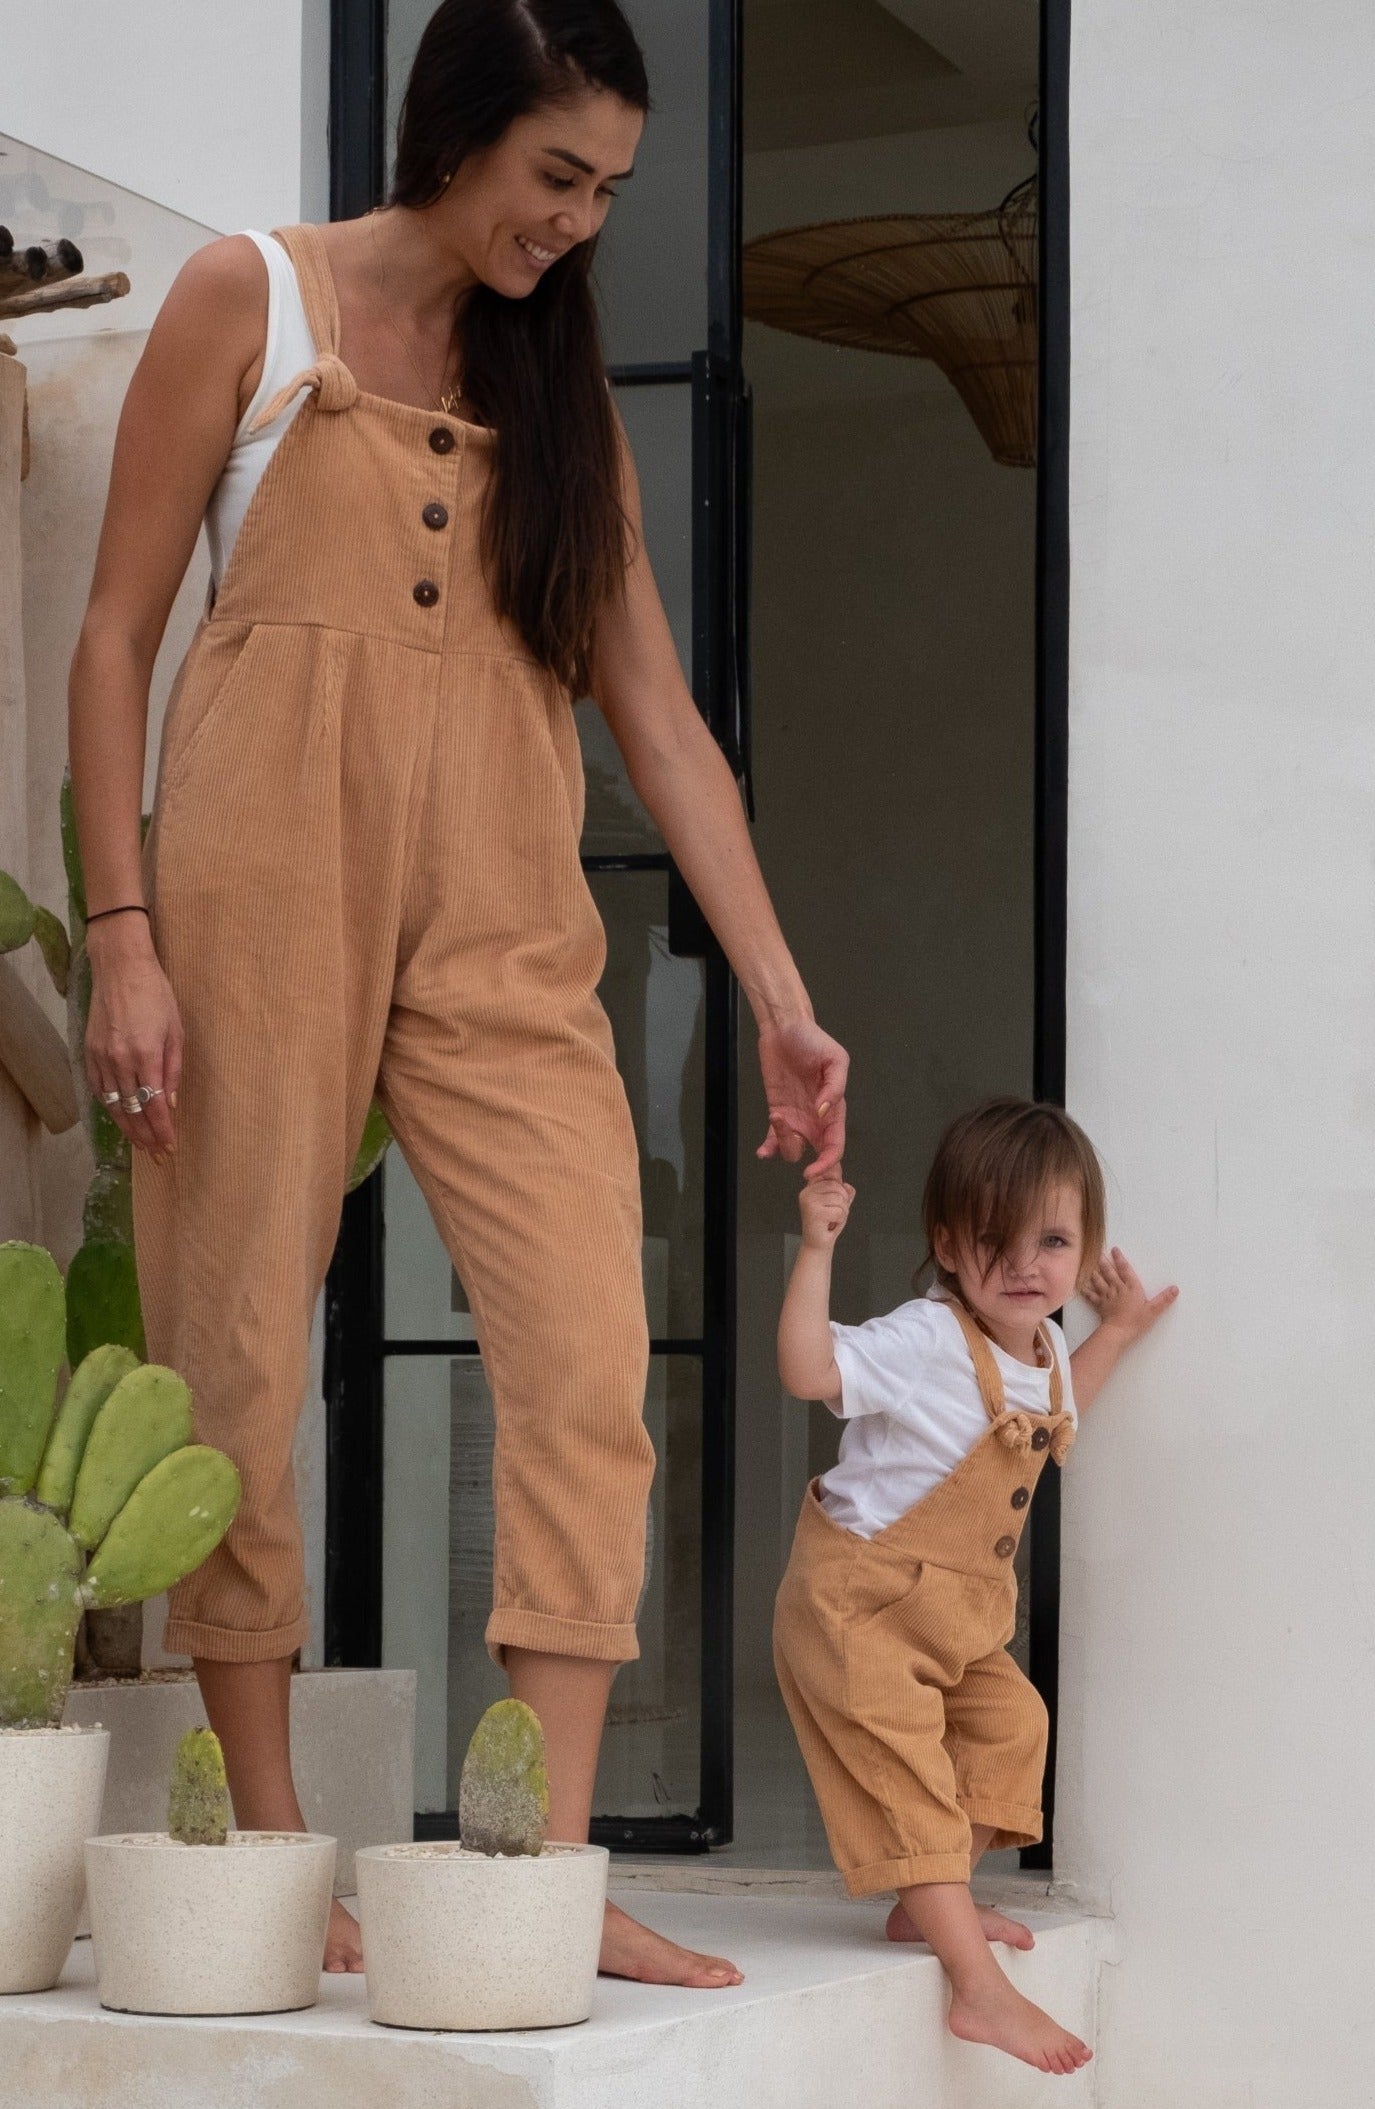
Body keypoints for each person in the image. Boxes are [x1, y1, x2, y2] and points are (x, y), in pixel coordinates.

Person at [68, 0, 847, 1988]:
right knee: (231, 1345)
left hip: (505, 913)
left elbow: (655, 716)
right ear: (454, 138)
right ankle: (270, 1855)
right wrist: (127, 930)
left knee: (590, 1351)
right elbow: (110, 636)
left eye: (609, 192)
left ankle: (546, 1876)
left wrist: (776, 987)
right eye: (557, 177)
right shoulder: (250, 299)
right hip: (256, 891)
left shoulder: (556, 404)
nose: (581, 225)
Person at [774, 1098, 1177, 2073]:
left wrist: (1118, 1327)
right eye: (995, 1239)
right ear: (949, 1246)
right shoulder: (925, 1339)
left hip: (953, 1621)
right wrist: (815, 1249)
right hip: (857, 1609)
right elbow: (806, 1369)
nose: (1025, 1264)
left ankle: (930, 1904)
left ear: (1083, 1251)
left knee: (1012, 1729)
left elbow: (1076, 1383)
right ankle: (979, 1991)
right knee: (908, 1779)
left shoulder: (1040, 1359)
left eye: (1051, 1240)